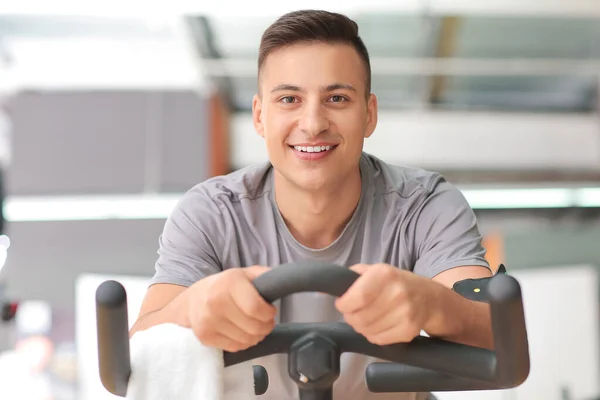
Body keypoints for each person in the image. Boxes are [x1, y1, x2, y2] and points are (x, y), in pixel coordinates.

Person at [130, 9, 494, 400]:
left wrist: (430, 304)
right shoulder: (209, 213)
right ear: (259, 116)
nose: (313, 123)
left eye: (337, 98)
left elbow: (494, 329)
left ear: (369, 114)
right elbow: (137, 350)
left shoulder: (426, 205)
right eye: (289, 99)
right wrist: (191, 308)